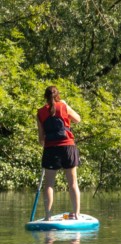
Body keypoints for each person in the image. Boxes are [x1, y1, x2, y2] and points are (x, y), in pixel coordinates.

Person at [36, 86, 83, 220]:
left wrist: (47, 146)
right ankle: (77, 215)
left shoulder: (40, 113)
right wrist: (67, 105)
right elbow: (78, 119)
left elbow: (41, 139)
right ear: (58, 95)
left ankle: (48, 216)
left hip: (51, 149)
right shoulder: (63, 106)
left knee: (49, 184)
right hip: (68, 147)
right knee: (73, 183)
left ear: (45, 97)